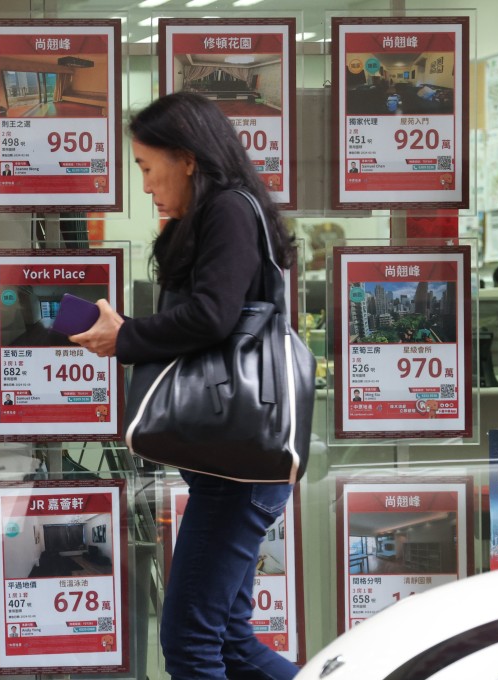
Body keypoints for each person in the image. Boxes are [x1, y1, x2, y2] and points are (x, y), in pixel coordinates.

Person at [70, 92, 299, 680]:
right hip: (235, 461)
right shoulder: (217, 213)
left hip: (238, 469)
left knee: (191, 644)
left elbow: (212, 317)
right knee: (230, 643)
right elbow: (207, 319)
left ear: (188, 158)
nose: (145, 184)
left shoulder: (228, 210)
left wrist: (127, 336)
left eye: (148, 167)